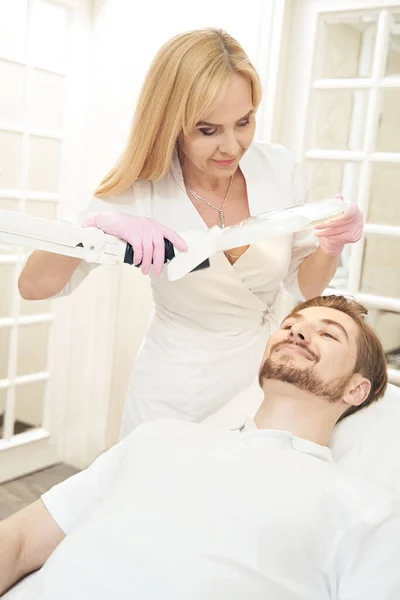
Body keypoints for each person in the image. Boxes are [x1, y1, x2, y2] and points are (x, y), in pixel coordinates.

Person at [18, 29, 364, 436]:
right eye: (207, 130)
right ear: (171, 123)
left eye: (244, 121)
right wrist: (91, 228)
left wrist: (330, 244)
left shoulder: (278, 167)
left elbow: (305, 285)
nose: (232, 147)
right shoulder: (141, 189)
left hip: (260, 381)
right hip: (178, 390)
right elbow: (33, 286)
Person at [1, 295, 399, 600]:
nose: (297, 332)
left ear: (356, 389)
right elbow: (19, 542)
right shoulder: (160, 439)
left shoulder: (368, 509)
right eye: (290, 325)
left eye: (328, 333)